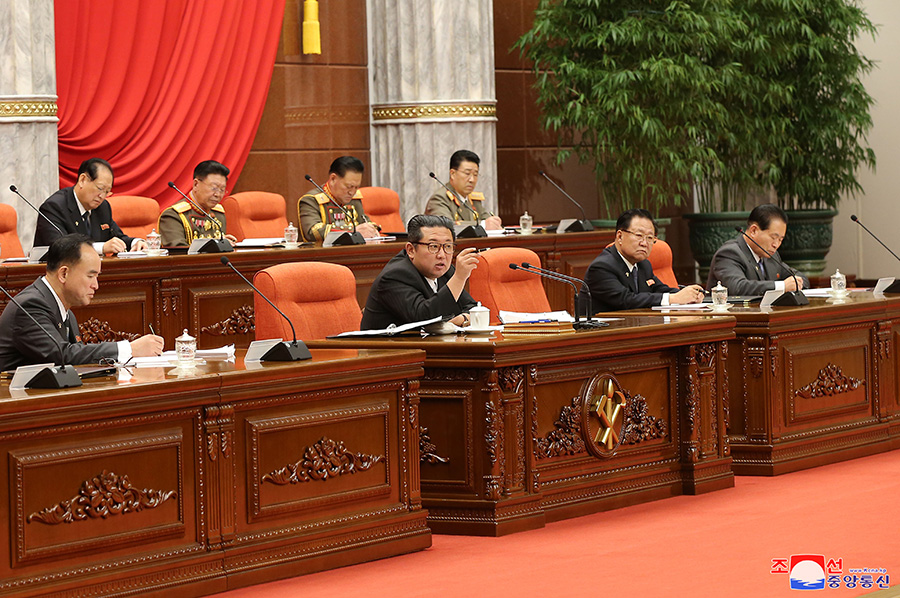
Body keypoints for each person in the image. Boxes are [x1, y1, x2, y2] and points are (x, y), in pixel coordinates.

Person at [0, 234, 164, 372]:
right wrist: (129, 349)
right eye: (90, 276)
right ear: (64, 274)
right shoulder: (29, 306)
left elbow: (78, 360)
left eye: (97, 276)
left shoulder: (66, 312)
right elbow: (61, 356)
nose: (96, 285)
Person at [361, 215, 479, 329]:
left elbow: (474, 308)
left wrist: (463, 319)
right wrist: (459, 278)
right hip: (388, 343)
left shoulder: (445, 271)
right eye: (434, 246)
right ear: (411, 250)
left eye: (448, 246)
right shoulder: (394, 276)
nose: (442, 255)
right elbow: (424, 318)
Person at [584, 209, 706, 312]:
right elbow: (626, 300)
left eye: (649, 238)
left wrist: (689, 295)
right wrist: (673, 298)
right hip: (602, 330)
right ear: (620, 236)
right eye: (639, 235)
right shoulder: (602, 267)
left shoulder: (643, 264)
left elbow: (659, 289)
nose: (644, 243)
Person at [33, 158, 148, 254]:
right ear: (82, 180)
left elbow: (117, 237)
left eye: (107, 192)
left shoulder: (103, 208)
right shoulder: (54, 207)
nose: (102, 196)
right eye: (100, 188)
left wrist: (136, 242)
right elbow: (59, 248)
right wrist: (101, 248)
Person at [707, 204, 810, 295]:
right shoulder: (729, 253)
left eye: (780, 240)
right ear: (753, 230)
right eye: (773, 237)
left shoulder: (771, 256)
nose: (776, 245)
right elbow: (738, 287)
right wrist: (782, 286)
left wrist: (797, 282)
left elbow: (799, 277)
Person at [298, 156, 380, 242]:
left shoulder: (354, 199)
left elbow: (364, 222)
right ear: (333, 179)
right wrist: (352, 230)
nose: (352, 192)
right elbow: (313, 232)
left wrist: (371, 229)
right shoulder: (311, 200)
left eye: (356, 187)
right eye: (349, 187)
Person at [158, 160, 237, 247]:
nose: (217, 194)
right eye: (214, 188)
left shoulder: (218, 214)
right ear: (196, 184)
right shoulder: (173, 215)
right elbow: (178, 251)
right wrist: (214, 244)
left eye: (222, 190)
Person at [425, 149, 503, 230]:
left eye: (475, 174)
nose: (472, 180)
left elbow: (487, 220)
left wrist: (494, 223)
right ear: (452, 174)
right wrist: (483, 225)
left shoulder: (473, 200)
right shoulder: (439, 199)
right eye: (467, 173)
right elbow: (447, 227)